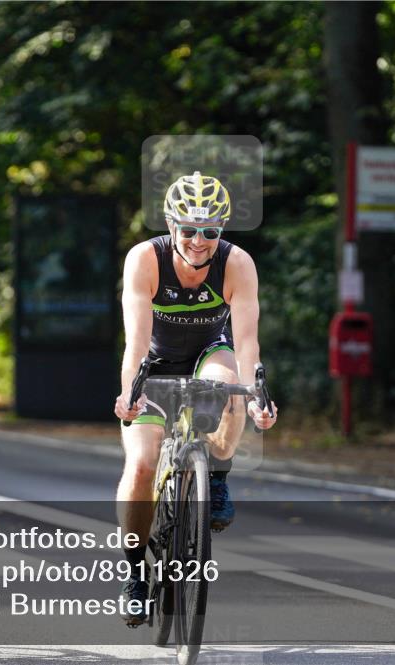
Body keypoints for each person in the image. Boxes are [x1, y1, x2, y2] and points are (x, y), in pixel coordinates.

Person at [113, 171, 278, 625]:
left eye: (210, 232)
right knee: (142, 464)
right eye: (188, 229)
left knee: (228, 385)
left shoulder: (237, 263)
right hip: (155, 362)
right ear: (171, 225)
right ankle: (134, 573)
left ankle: (216, 475)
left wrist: (258, 397)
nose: (199, 241)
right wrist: (129, 393)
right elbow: (135, 343)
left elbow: (247, 343)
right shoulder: (145, 259)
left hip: (209, 352)